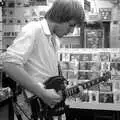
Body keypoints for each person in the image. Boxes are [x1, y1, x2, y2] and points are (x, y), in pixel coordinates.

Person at [1, 0, 85, 119]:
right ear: (59, 17)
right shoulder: (34, 30)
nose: (71, 31)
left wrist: (68, 91)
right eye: (71, 25)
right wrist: (42, 93)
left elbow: (47, 78)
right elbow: (9, 64)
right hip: (33, 110)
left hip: (48, 111)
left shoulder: (54, 40)